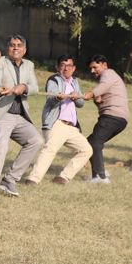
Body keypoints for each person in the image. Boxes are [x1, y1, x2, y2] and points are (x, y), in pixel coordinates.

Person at [0, 35, 42, 199]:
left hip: (20, 115)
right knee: (1, 146)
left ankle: (9, 179)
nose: (15, 48)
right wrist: (1, 88)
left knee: (36, 141)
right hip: (1, 113)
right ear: (7, 48)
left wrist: (23, 87)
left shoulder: (29, 65)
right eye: (12, 45)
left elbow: (35, 87)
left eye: (19, 45)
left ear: (25, 49)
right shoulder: (0, 62)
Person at [26, 56, 91, 184]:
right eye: (63, 65)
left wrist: (76, 97)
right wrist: (58, 98)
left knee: (86, 150)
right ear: (57, 67)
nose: (66, 68)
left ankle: (63, 177)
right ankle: (33, 179)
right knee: (50, 150)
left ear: (74, 68)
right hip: (57, 123)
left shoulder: (75, 82)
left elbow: (81, 103)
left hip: (72, 127)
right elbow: (50, 98)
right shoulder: (54, 80)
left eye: (69, 66)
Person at [82, 56, 130, 184]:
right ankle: (99, 173)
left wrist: (91, 93)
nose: (92, 71)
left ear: (104, 64)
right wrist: (98, 101)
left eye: (95, 67)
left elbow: (103, 86)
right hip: (118, 118)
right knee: (91, 142)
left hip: (112, 117)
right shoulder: (111, 77)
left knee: (94, 142)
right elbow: (104, 95)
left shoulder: (108, 73)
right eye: (91, 68)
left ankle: (101, 177)